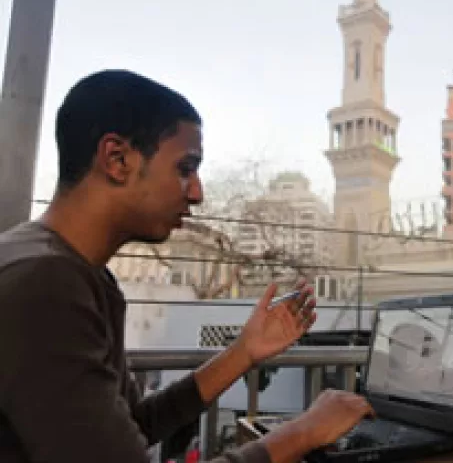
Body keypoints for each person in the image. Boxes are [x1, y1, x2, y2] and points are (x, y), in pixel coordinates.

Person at [0, 70, 374, 463]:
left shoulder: (78, 273)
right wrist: (301, 434)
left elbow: (132, 424)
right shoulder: (43, 285)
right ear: (117, 159)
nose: (197, 193)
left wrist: (242, 353)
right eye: (185, 168)